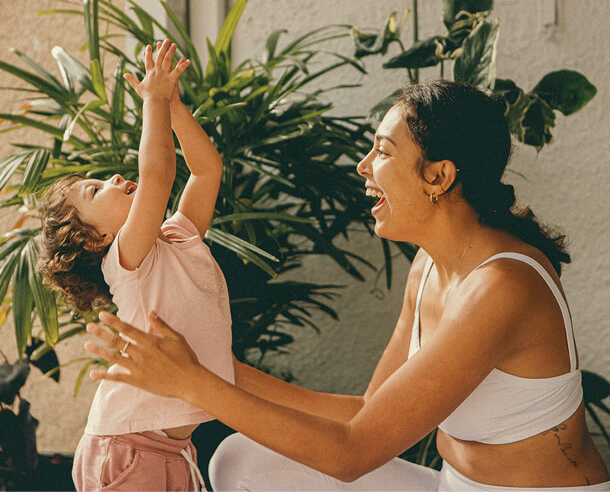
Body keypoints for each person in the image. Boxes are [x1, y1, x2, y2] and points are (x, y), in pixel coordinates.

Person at [85, 79, 610, 491]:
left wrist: (195, 385)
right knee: (241, 461)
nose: (363, 167)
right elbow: (368, 410)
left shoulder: (501, 287)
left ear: (439, 176)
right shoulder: (428, 268)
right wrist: (213, 369)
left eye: (381, 151)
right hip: (453, 485)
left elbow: (353, 451)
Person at [38, 40, 234, 491]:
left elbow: (206, 172)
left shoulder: (179, 238)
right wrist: (152, 103)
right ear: (94, 240)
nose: (113, 178)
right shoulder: (127, 260)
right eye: (94, 190)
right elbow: (159, 173)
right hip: (129, 448)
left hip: (166, 449)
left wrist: (174, 106)